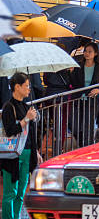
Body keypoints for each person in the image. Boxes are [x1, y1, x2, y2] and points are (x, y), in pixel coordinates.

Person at [1, 73, 42, 219]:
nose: (29, 89)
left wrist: (36, 151)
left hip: (27, 152)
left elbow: (31, 133)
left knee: (20, 192)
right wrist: (26, 119)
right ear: (17, 87)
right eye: (26, 86)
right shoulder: (8, 107)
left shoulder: (26, 107)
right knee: (10, 192)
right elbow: (11, 130)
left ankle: (16, 217)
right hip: (12, 154)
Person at [69, 42, 99, 147]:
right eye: (85, 51)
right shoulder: (78, 66)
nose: (87, 53)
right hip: (78, 99)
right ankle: (81, 144)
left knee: (88, 125)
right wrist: (71, 72)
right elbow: (73, 83)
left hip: (92, 100)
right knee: (75, 125)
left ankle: (88, 145)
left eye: (90, 51)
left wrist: (98, 89)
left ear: (95, 53)